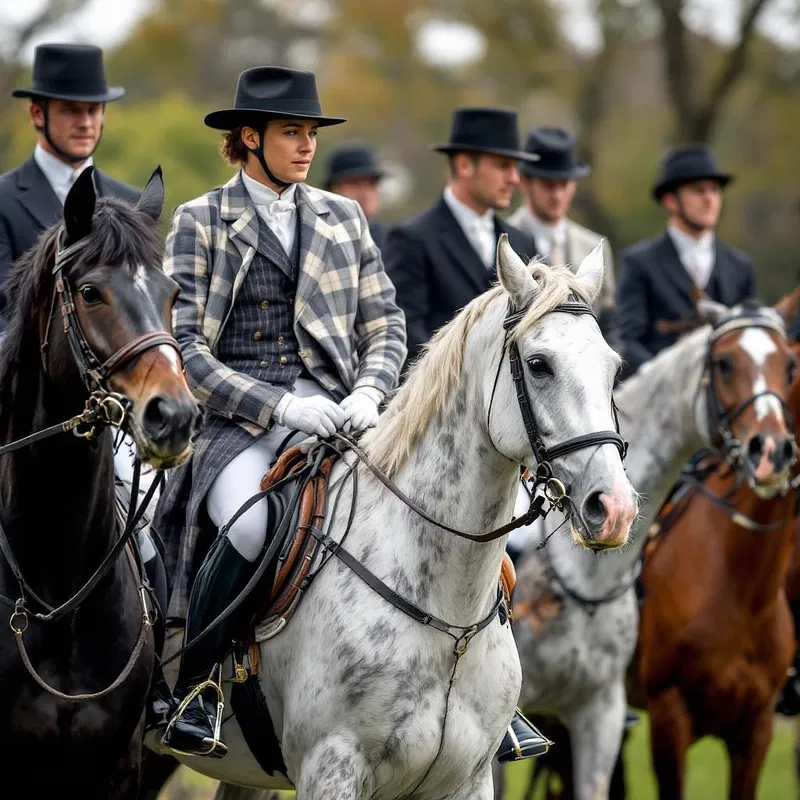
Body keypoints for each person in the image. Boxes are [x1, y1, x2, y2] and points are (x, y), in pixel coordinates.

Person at [151, 65, 406, 758]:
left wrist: (369, 392)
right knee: (248, 528)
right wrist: (278, 404)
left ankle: (485, 690)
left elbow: (384, 324)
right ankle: (197, 690)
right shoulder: (201, 219)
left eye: (310, 133)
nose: (306, 146)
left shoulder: (343, 216)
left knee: (429, 506)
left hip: (341, 412)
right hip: (242, 425)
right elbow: (187, 350)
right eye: (291, 132)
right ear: (249, 137)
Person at [384, 107, 539, 368]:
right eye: (503, 166)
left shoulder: (522, 242)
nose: (514, 179)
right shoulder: (411, 238)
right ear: (465, 164)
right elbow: (407, 331)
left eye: (515, 168)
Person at [0, 43, 139, 332]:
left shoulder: (131, 202)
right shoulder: (3, 199)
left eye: (93, 110)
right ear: (38, 114)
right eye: (71, 110)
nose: (86, 123)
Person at [616, 144, 757, 378]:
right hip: (658, 401)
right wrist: (663, 378)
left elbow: (752, 337)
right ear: (671, 201)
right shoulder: (639, 263)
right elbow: (626, 340)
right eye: (698, 190)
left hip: (727, 402)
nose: (710, 199)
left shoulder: (740, 266)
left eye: (715, 190)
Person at [507, 126, 618, 347]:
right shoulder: (504, 241)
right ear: (525, 183)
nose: (557, 195)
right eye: (548, 185)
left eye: (564, 184)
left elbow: (609, 322)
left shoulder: (595, 246)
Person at [324, 141, 388, 254]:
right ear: (334, 189)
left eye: (372, 184)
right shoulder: (316, 236)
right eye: (355, 183)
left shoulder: (390, 241)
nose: (366, 194)